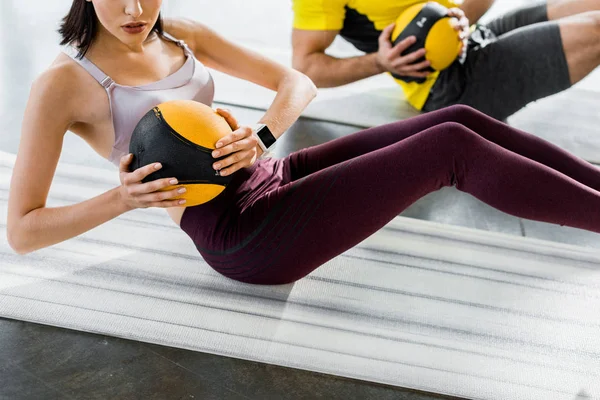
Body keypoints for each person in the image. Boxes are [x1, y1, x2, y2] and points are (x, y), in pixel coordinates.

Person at [6, 0, 600, 286]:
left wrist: (262, 134)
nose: (136, 10)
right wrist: (124, 200)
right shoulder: (64, 84)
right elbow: (23, 231)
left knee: (460, 118)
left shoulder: (177, 33)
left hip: (271, 175)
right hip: (240, 233)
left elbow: (298, 80)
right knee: (451, 149)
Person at [291, 0, 600, 120]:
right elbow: (306, 66)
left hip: (476, 36)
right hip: (450, 86)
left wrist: (463, 17)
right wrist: (381, 63)